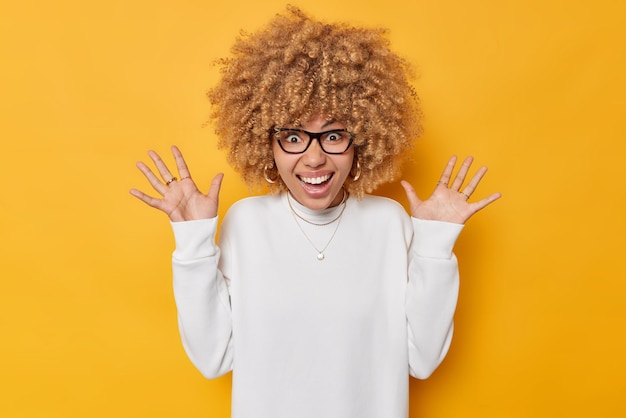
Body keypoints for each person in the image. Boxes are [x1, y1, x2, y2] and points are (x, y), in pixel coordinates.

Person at [130, 6, 500, 418]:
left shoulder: (388, 223)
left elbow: (423, 359)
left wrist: (434, 247)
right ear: (266, 143)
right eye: (293, 136)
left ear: (361, 141)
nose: (314, 158)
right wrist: (194, 244)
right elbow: (212, 358)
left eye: (334, 135)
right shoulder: (246, 223)